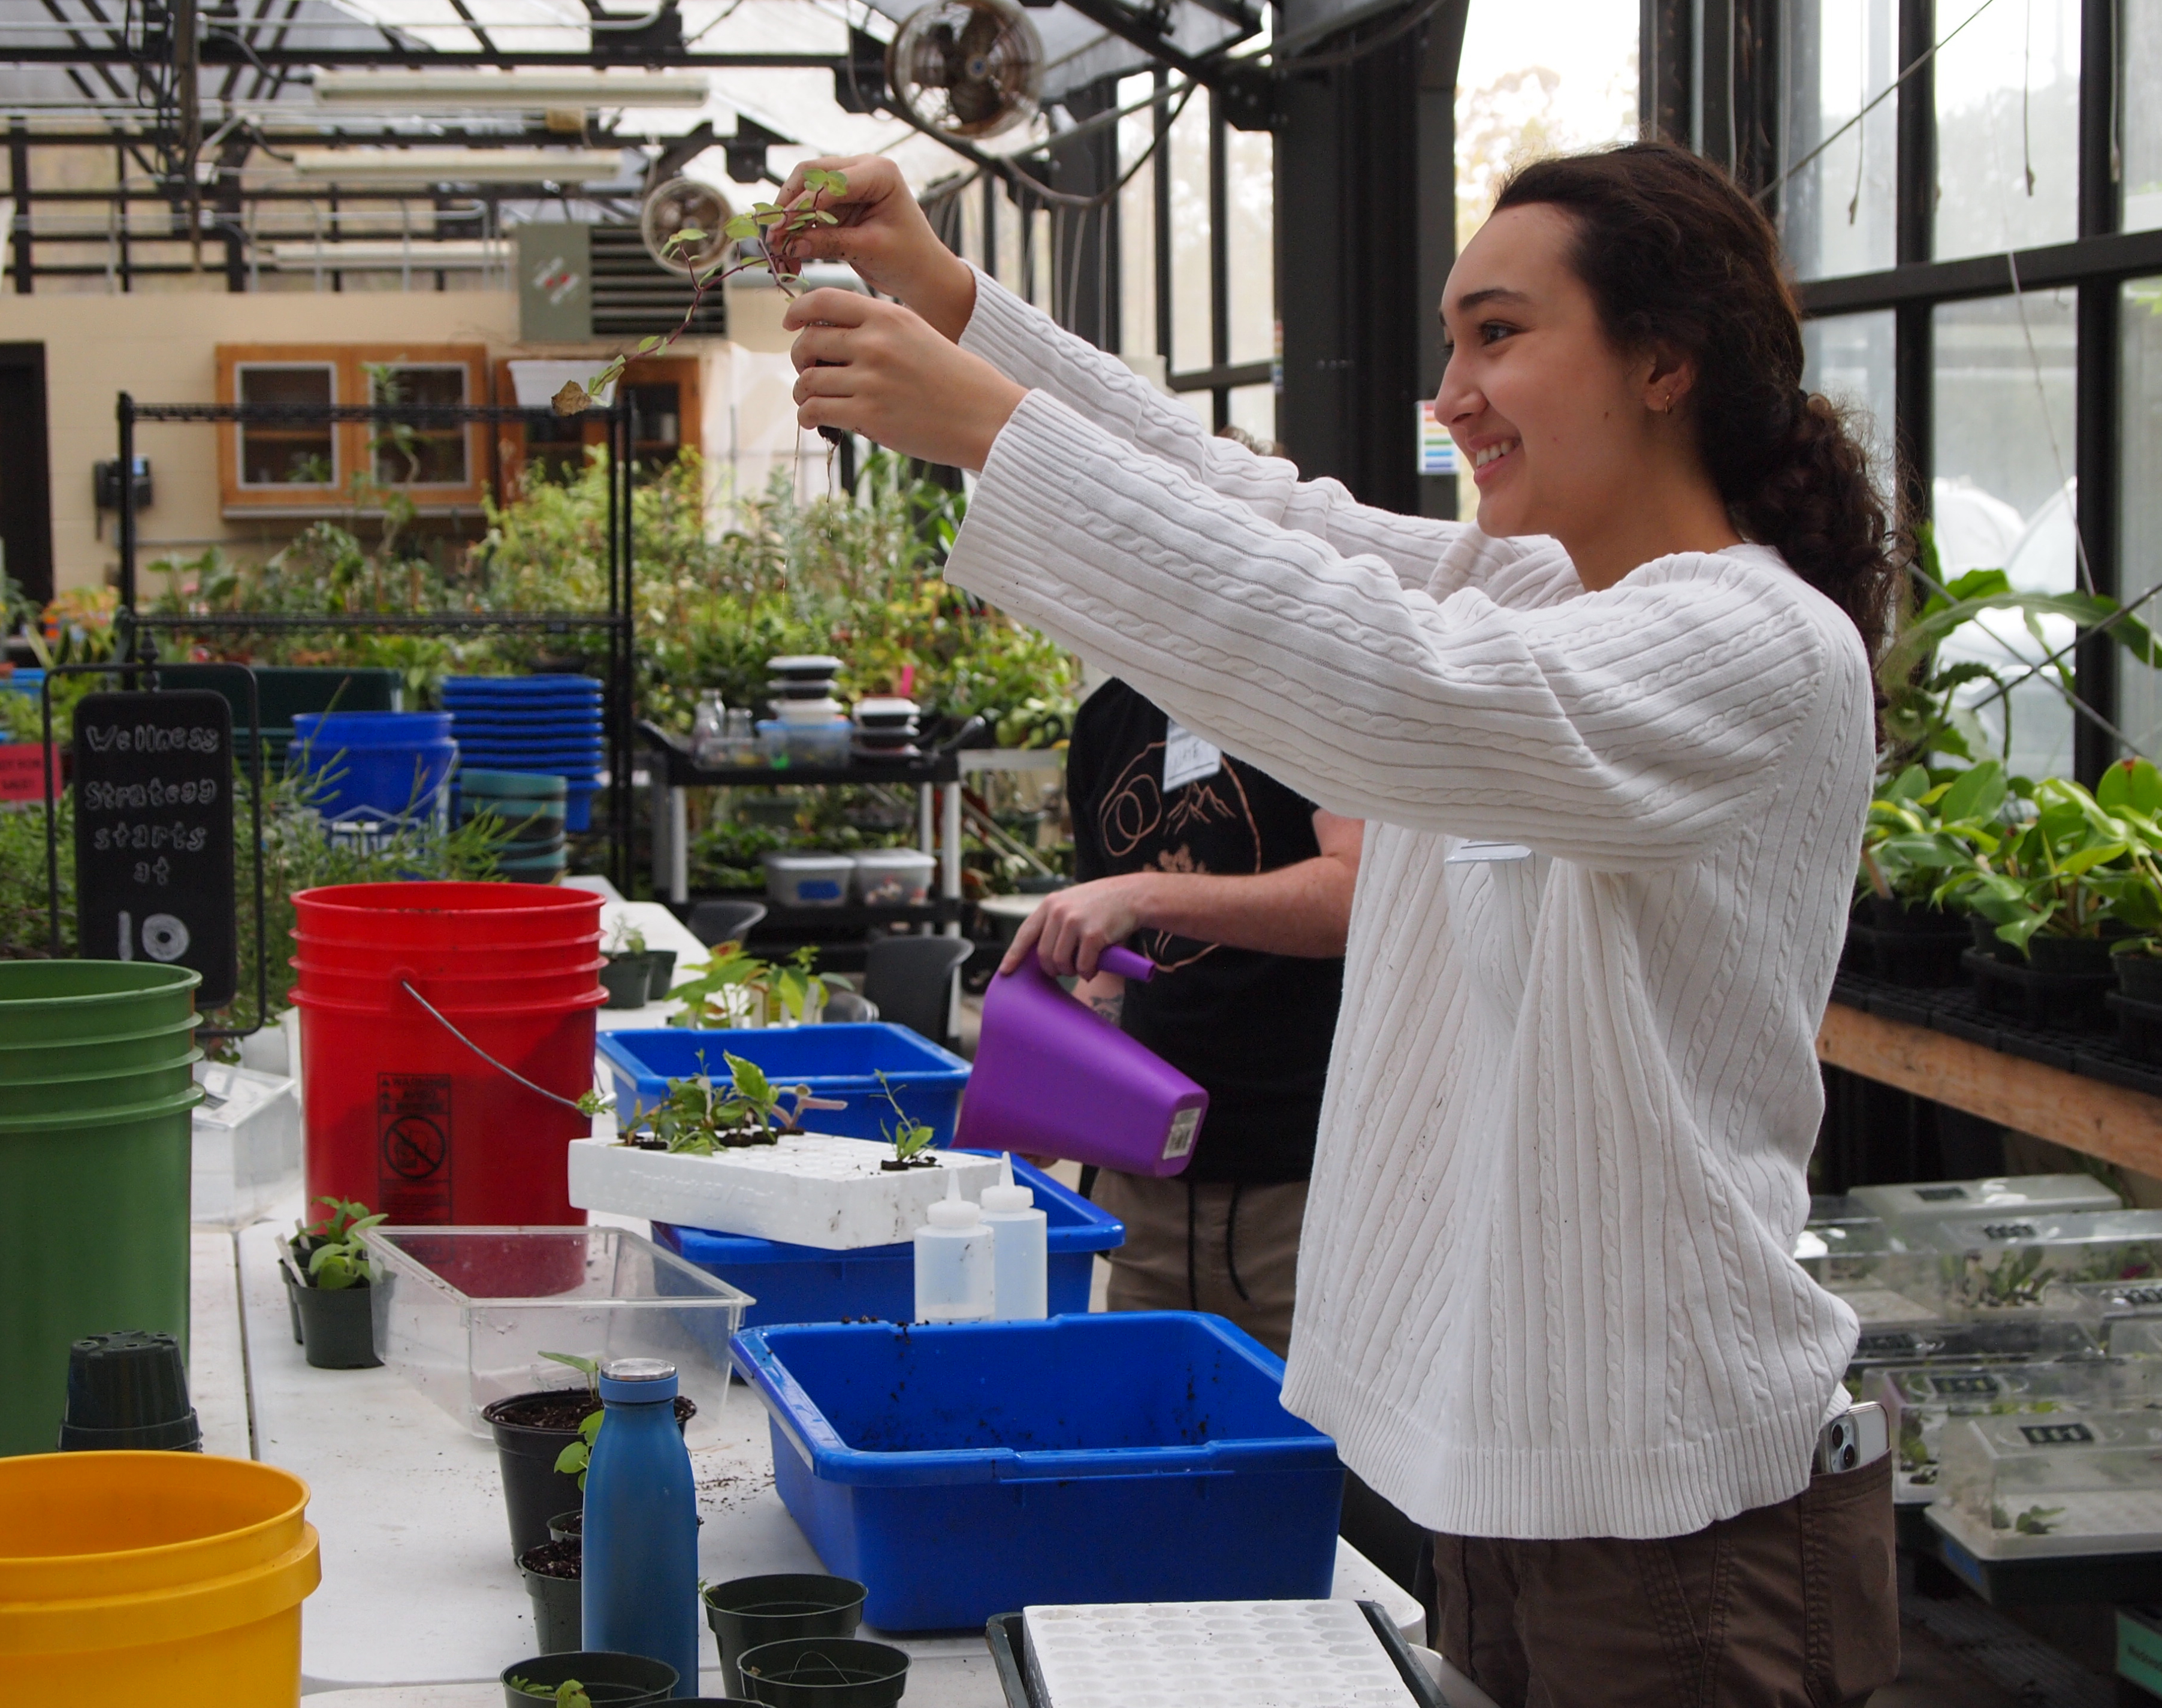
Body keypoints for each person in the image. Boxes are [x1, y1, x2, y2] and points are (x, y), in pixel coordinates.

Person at [771, 140, 1906, 1707]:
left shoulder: (1752, 647)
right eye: (1451, 341)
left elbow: (1383, 682)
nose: (1453, 391)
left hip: (1681, 1526)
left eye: (1500, 334)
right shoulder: (1545, 593)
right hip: (1529, 1481)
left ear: (1665, 358)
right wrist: (957, 307)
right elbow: (1262, 515)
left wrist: (991, 429)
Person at [1025, 673, 1361, 1356]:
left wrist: (1148, 894)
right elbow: (1108, 971)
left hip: (1302, 1185)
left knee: (1304, 1450)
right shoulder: (1105, 721)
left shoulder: (1300, 687)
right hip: (1147, 1185)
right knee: (1147, 1435)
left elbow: (1360, 891)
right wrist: (1051, 1101)